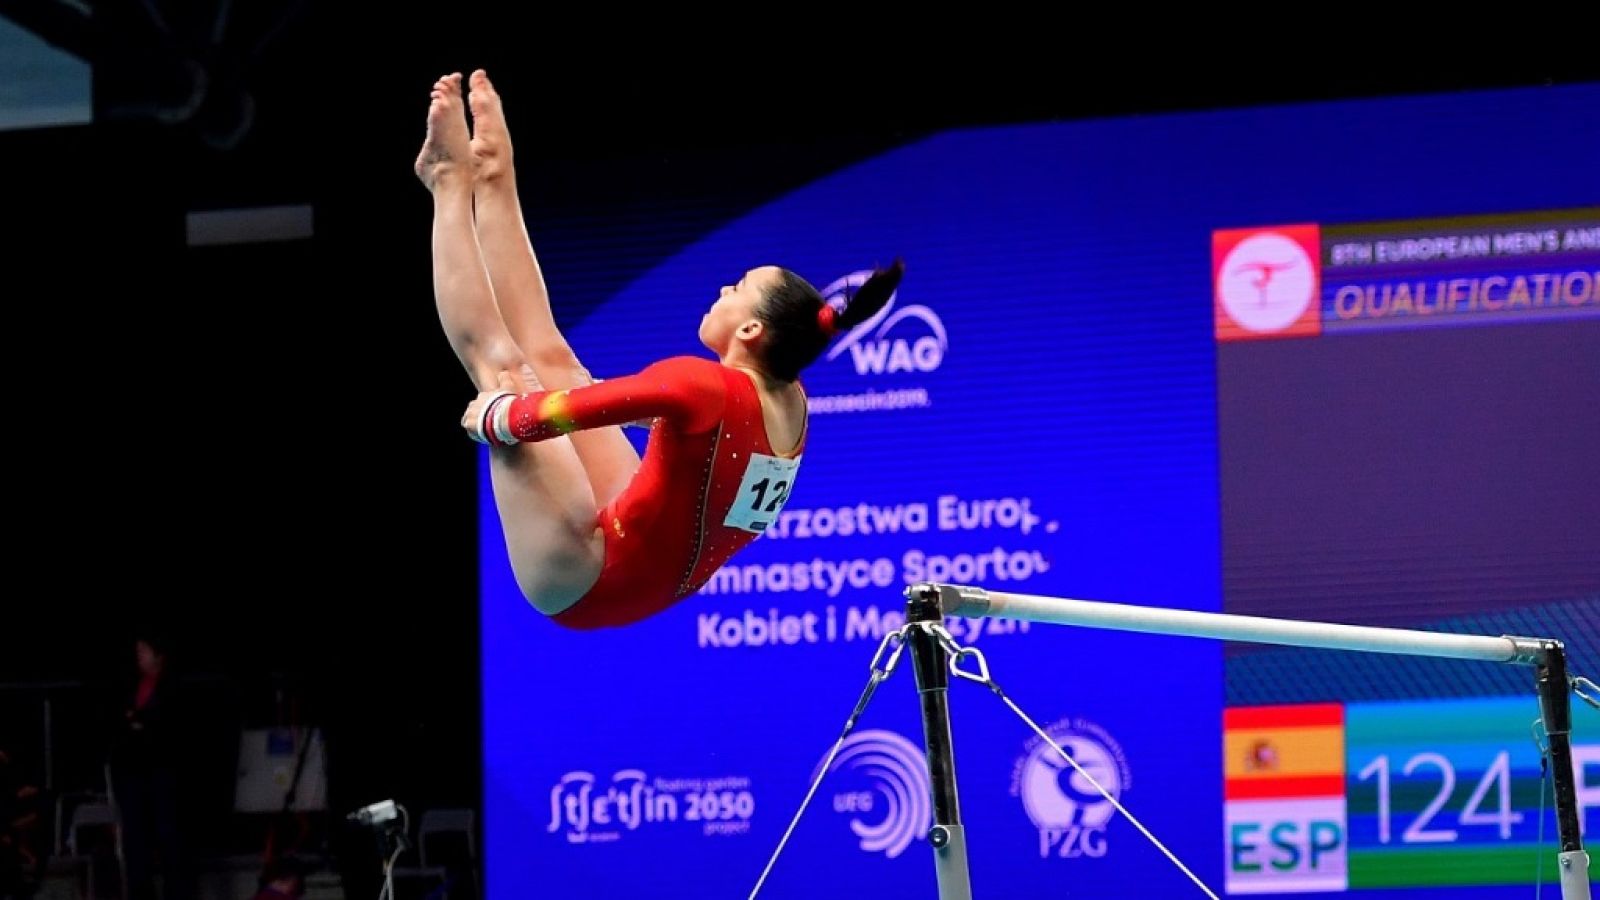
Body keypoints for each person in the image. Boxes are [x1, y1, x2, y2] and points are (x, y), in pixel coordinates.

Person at [415, 70, 902, 630]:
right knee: (557, 362)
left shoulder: (702, 386)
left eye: (738, 289)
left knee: (505, 371)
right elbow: (710, 459)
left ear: (751, 332)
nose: (723, 291)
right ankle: (496, 177)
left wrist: (499, 417)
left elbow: (549, 416)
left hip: (586, 581)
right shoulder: (791, 402)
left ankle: (448, 180)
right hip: (650, 574)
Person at [107, 631, 194, 900]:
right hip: (134, 773)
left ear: (158, 655)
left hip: (163, 774)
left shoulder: (173, 687)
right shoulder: (134, 685)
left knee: (169, 838)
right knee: (136, 840)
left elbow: (170, 729)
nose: (139, 656)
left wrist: (141, 725)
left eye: (144, 651)